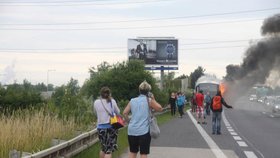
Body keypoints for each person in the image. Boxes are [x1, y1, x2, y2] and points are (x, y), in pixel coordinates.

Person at [123, 81, 163, 158]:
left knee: (132, 152)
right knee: (143, 153)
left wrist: (129, 122)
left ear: (139, 90)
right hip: (144, 131)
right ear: (148, 91)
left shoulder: (132, 100)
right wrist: (153, 99)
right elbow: (160, 108)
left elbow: (125, 113)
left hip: (132, 130)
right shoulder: (149, 101)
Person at [93, 87, 121, 158]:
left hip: (100, 128)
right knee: (109, 150)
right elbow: (118, 112)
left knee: (103, 148)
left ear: (100, 94)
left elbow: (95, 113)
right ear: (109, 94)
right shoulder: (112, 101)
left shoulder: (96, 102)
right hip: (111, 128)